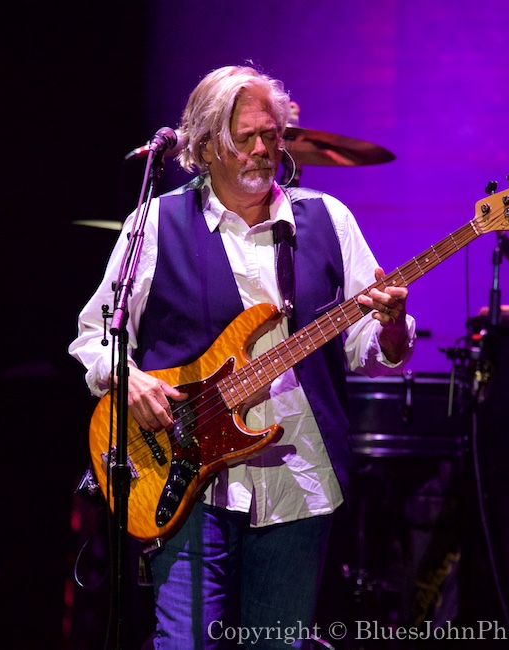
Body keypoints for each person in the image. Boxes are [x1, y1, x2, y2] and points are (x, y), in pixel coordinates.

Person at [68, 65, 415, 649]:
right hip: (184, 479)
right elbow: (95, 336)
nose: (263, 150)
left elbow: (371, 351)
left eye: (272, 135)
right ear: (204, 147)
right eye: (245, 138)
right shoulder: (156, 223)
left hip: (299, 481)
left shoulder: (327, 220)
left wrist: (393, 327)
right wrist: (128, 380)